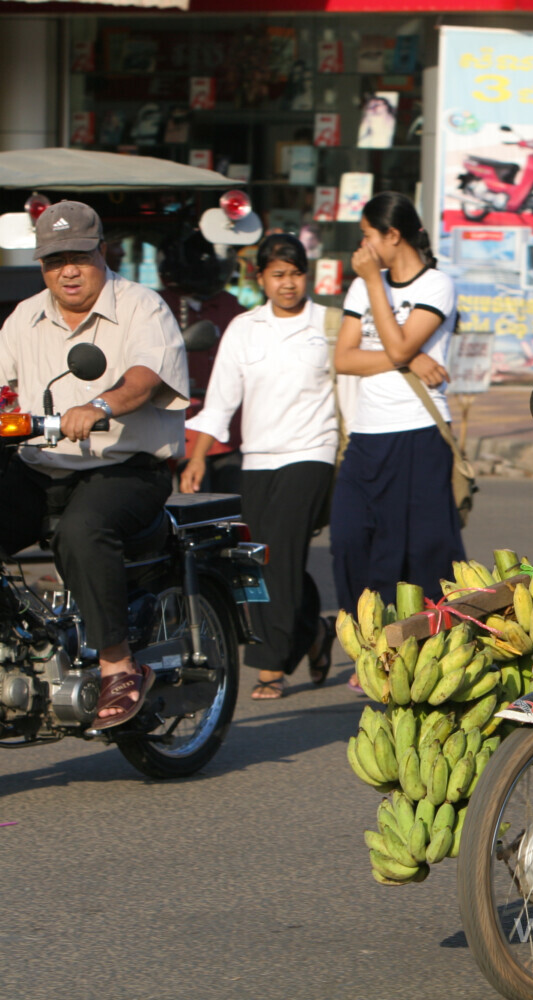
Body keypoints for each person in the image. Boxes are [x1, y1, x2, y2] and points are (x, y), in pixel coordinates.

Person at [0, 201, 190, 728]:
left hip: (124, 469)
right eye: (54, 259)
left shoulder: (140, 307)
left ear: (100, 251)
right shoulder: (25, 316)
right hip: (43, 467)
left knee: (83, 530)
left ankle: (118, 665)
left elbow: (144, 377)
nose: (67, 270)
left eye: (78, 257)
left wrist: (100, 405)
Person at [180, 235, 338, 699]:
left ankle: (271, 665)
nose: (287, 284)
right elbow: (222, 399)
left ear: (306, 275)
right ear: (261, 278)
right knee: (260, 559)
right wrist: (195, 456)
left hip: (313, 452)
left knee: (282, 554)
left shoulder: (328, 324)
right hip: (258, 458)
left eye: (295, 273)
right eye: (277, 274)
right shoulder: (243, 328)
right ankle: (312, 630)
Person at [331, 191, 463, 631]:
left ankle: (425, 640)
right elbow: (344, 358)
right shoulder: (359, 285)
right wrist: (410, 358)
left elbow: (400, 343)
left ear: (393, 234)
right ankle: (368, 636)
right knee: (349, 538)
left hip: (419, 431)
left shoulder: (436, 285)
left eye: (368, 235)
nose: (362, 247)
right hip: (367, 434)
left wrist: (374, 284)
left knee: (422, 550)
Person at [159, 228, 247, 494]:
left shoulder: (232, 307)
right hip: (178, 427)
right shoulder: (158, 307)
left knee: (230, 505)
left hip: (229, 430)